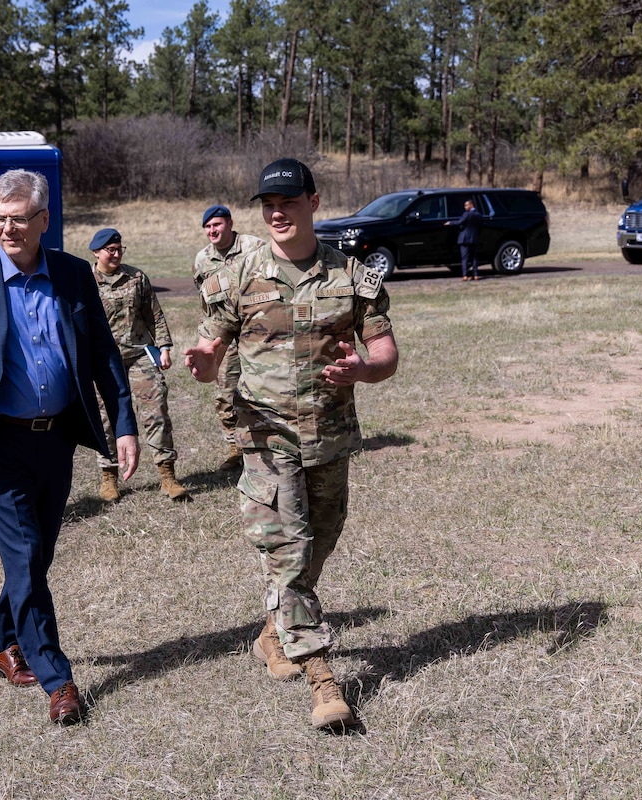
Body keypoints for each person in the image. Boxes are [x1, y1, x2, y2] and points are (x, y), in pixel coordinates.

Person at [185, 158, 399, 731]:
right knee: (288, 550)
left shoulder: (352, 277)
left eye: (288, 202)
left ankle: (271, 634)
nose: (277, 213)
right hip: (266, 437)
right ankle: (323, 680)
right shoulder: (237, 275)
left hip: (328, 438)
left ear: (314, 202)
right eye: (267, 205)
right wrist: (205, 361)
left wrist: (364, 370)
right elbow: (209, 349)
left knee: (320, 542)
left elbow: (385, 354)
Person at [0, 169, 139, 726]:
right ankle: (58, 677)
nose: (8, 229)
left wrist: (123, 424)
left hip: (57, 440)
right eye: (0, 220)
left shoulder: (72, 275)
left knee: (35, 555)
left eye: (19, 219)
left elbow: (103, 356)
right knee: (24, 556)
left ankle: (1, 643)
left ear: (45, 220)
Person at [88, 227, 188, 503]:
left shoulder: (136, 277)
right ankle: (109, 476)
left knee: (156, 409)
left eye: (120, 249)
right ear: (96, 252)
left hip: (139, 354)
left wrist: (164, 347)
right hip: (104, 361)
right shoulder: (86, 281)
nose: (117, 254)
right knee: (106, 418)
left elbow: (153, 313)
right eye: (111, 250)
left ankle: (167, 475)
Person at [194, 204, 264, 472]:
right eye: (208, 227)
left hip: (256, 331)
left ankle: (266, 442)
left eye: (217, 224)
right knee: (225, 395)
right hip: (225, 337)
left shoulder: (254, 246)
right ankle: (236, 448)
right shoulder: (202, 260)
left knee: (263, 388)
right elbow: (205, 301)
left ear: (230, 224)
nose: (213, 230)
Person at [450, 198, 483, 281]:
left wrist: (450, 223)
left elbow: (459, 222)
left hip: (465, 238)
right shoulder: (479, 215)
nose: (465, 207)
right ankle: (475, 275)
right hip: (474, 238)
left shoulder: (467, 214)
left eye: (466, 205)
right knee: (474, 257)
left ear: (471, 205)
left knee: (465, 258)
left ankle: (465, 275)